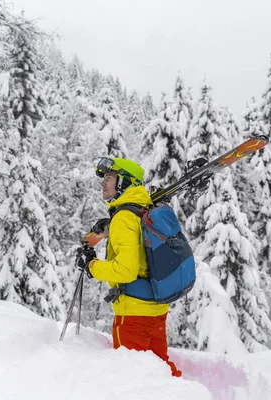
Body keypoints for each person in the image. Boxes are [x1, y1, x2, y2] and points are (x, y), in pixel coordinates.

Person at [75, 157, 182, 378]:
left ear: (124, 182)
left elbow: (125, 271)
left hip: (132, 314)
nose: (102, 183)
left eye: (109, 178)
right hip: (156, 309)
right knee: (160, 372)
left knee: (134, 379)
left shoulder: (124, 217)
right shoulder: (144, 210)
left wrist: (92, 265)